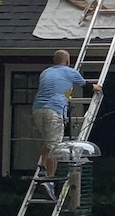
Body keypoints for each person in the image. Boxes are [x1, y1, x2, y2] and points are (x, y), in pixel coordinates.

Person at [32, 49, 101, 199]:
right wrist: (96, 87)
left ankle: (43, 166)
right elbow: (86, 86)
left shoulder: (45, 72)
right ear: (68, 61)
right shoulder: (70, 71)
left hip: (37, 109)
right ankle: (49, 180)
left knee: (49, 140)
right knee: (54, 146)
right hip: (54, 110)